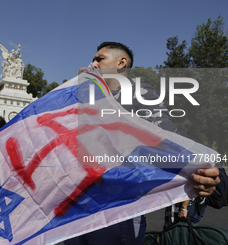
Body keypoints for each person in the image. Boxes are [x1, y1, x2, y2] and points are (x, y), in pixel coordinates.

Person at [65, 42, 220, 245]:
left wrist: (199, 174)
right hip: (77, 211)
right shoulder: (86, 98)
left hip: (117, 213)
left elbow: (167, 141)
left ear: (121, 62)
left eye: (99, 59)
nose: (92, 64)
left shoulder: (139, 95)